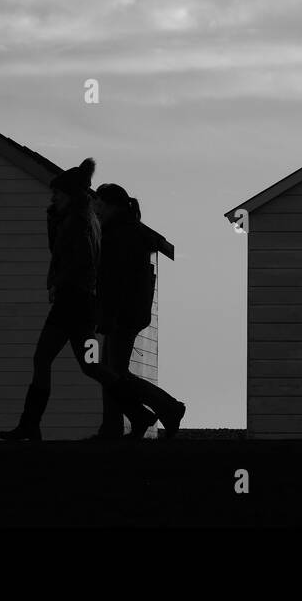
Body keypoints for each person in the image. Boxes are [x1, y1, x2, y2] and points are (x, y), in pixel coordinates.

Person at [0, 158, 160, 442]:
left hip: (71, 301)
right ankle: (137, 413)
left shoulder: (78, 225)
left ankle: (30, 424)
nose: (53, 198)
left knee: (43, 358)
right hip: (81, 303)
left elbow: (74, 263)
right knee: (92, 367)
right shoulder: (84, 221)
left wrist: (59, 284)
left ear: (70, 196)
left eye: (57, 194)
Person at [92, 183, 186, 439]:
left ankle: (167, 407)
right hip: (129, 313)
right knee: (110, 370)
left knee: (113, 372)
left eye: (99, 205)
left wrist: (107, 315)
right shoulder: (129, 232)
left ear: (111, 205)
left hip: (122, 314)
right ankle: (128, 421)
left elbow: (115, 281)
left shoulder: (119, 235)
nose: (96, 210)